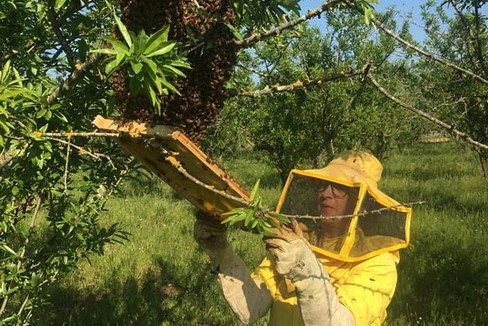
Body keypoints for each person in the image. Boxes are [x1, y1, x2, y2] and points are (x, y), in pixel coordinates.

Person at [194, 150, 412, 325]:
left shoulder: (377, 263)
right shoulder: (296, 241)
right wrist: (221, 252)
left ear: (361, 201)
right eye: (323, 185)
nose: (326, 193)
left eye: (339, 188)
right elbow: (251, 308)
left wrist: (304, 267)